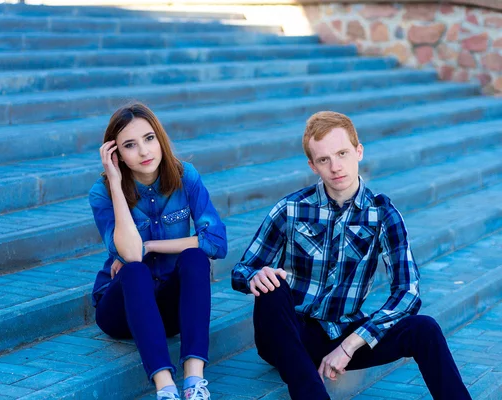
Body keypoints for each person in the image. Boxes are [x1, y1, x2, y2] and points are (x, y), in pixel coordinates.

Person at [231, 111, 471, 399]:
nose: (336, 167)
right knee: (271, 287)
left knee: (425, 329)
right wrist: (257, 275)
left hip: (344, 333)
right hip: (289, 333)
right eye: (324, 159)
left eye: (342, 153)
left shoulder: (383, 213)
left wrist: (351, 345)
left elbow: (408, 291)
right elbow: (242, 269)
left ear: (359, 151)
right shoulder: (291, 208)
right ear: (313, 166)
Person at [89, 102, 227, 400]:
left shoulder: (184, 175)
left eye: (149, 138)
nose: (143, 151)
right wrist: (115, 183)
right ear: (117, 155)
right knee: (134, 270)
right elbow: (132, 255)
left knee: (195, 257)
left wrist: (151, 244)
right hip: (121, 311)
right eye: (130, 145)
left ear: (160, 138)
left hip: (171, 308)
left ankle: (194, 382)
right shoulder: (102, 192)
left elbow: (216, 241)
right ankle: (165, 388)